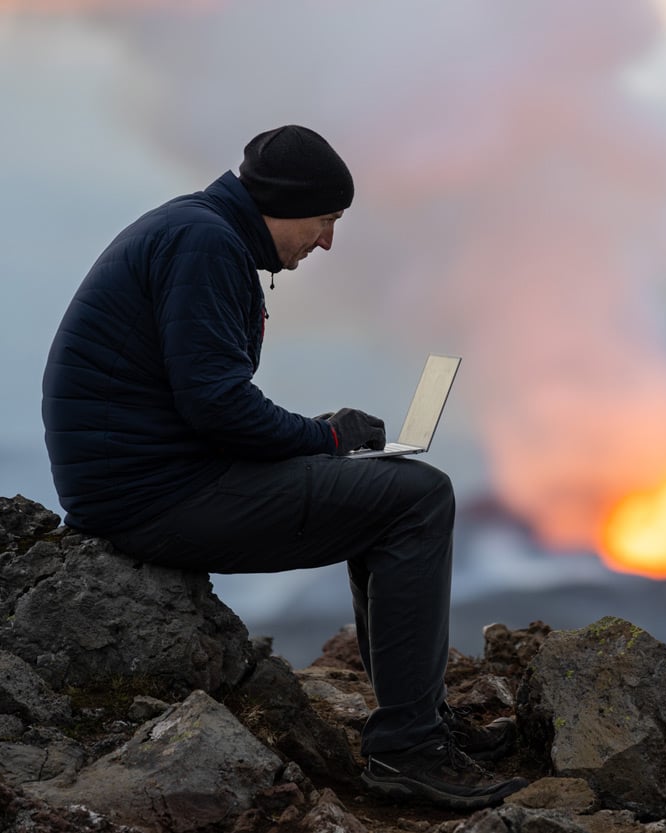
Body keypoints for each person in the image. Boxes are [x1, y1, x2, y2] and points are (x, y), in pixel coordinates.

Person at [41, 125, 528, 811]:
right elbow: (214, 404)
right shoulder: (206, 243)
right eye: (326, 219)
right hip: (155, 497)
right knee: (418, 497)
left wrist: (319, 438)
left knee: (385, 495)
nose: (328, 240)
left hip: (153, 480)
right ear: (286, 204)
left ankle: (414, 731)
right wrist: (325, 438)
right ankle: (409, 750)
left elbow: (205, 403)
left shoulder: (200, 230)